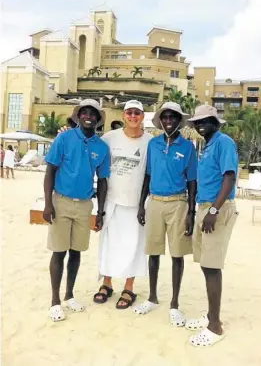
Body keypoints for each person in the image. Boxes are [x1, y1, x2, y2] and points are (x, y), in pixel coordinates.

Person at [43, 99, 110, 322]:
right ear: (78, 116)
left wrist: (99, 212)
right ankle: (55, 301)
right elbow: (50, 171)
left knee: (76, 252)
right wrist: (47, 203)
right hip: (61, 201)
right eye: (84, 112)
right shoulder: (64, 138)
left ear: (98, 119)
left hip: (84, 205)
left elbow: (102, 181)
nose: (88, 116)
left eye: (93, 113)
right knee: (58, 251)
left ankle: (69, 294)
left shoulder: (101, 147)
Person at [133, 101, 197, 327]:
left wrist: (191, 212)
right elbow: (147, 176)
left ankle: (175, 304)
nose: (168, 121)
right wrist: (142, 205)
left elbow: (192, 182)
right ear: (160, 120)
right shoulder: (153, 144)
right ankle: (152, 297)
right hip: (155, 202)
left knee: (177, 255)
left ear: (179, 120)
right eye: (165, 118)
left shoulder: (188, 147)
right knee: (153, 253)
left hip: (178, 203)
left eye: (173, 117)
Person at [185, 105, 238, 347]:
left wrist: (214, 210)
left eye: (206, 120)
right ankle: (210, 316)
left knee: (212, 266)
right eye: (197, 121)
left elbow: (229, 177)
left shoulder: (223, 142)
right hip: (205, 207)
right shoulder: (207, 145)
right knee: (206, 266)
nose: (200, 124)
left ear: (216, 122)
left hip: (217, 208)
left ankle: (215, 326)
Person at [93, 100, 152, 309]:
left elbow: (149, 175)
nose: (133, 116)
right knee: (108, 244)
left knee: (134, 246)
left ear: (142, 116)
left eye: (137, 112)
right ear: (124, 115)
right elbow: (92, 154)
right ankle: (106, 284)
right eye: (129, 112)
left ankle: (128, 288)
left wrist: (144, 204)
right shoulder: (109, 138)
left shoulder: (150, 142)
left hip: (136, 204)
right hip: (111, 201)